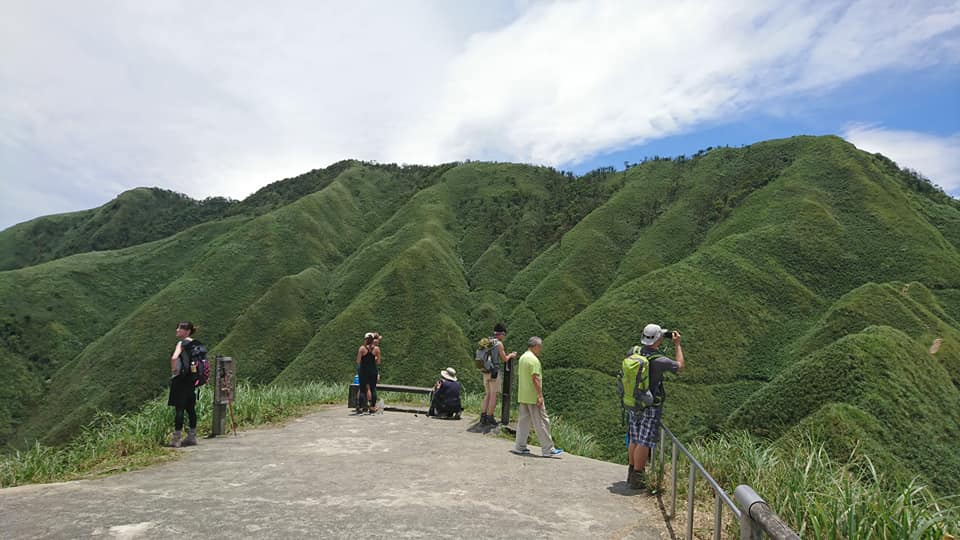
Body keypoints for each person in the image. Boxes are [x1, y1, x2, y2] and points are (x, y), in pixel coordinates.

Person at [627, 324, 684, 489]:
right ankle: (638, 478)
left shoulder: (633, 351)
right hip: (649, 405)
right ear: (658, 339)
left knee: (634, 437)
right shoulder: (660, 360)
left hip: (633, 401)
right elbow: (680, 367)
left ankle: (631, 473)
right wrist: (677, 345)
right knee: (643, 441)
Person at [512, 337, 563, 458]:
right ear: (535, 346)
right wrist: (540, 395)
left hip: (523, 395)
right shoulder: (534, 360)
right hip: (533, 396)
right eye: (540, 346)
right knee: (542, 422)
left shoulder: (523, 358)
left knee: (523, 422)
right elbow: (535, 379)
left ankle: (519, 447)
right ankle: (548, 449)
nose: (541, 349)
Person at [168, 321, 199, 448]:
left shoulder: (181, 343)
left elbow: (174, 358)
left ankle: (176, 439)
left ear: (187, 331)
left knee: (179, 409)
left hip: (180, 380)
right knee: (191, 409)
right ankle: (192, 436)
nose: (177, 330)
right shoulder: (196, 344)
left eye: (180, 329)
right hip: (191, 380)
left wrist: (174, 370)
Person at [480, 323, 517, 426]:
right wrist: (511, 355)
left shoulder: (487, 341)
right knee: (493, 395)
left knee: (487, 394)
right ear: (502, 334)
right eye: (504, 335)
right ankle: (490, 417)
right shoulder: (499, 344)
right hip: (493, 373)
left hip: (485, 371)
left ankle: (483, 416)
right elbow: (504, 359)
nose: (504, 337)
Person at [356, 332, 382, 414]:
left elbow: (358, 361)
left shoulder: (362, 349)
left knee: (362, 389)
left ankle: (360, 407)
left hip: (363, 371)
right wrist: (373, 359)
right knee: (373, 389)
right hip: (373, 371)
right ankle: (372, 407)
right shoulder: (376, 349)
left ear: (366, 339)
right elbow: (378, 362)